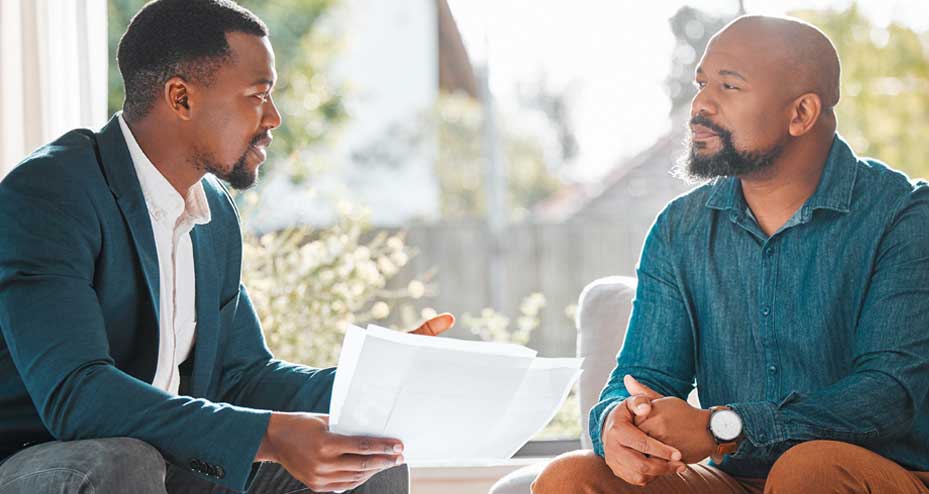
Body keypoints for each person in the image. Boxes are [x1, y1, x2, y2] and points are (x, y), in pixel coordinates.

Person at [0, 1, 454, 492]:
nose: (275, 117)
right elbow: (76, 394)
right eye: (258, 95)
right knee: (124, 463)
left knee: (366, 460)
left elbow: (244, 377)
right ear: (181, 98)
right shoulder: (51, 192)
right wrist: (272, 436)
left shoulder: (211, 210)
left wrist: (378, 383)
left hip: (160, 459)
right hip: (38, 460)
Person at [532, 15, 929, 494]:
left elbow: (888, 396)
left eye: (729, 86)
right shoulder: (680, 228)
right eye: (701, 83)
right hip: (729, 480)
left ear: (801, 113)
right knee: (571, 478)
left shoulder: (904, 215)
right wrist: (616, 422)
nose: (700, 104)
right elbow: (643, 377)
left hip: (877, 473)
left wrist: (720, 427)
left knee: (807, 471)